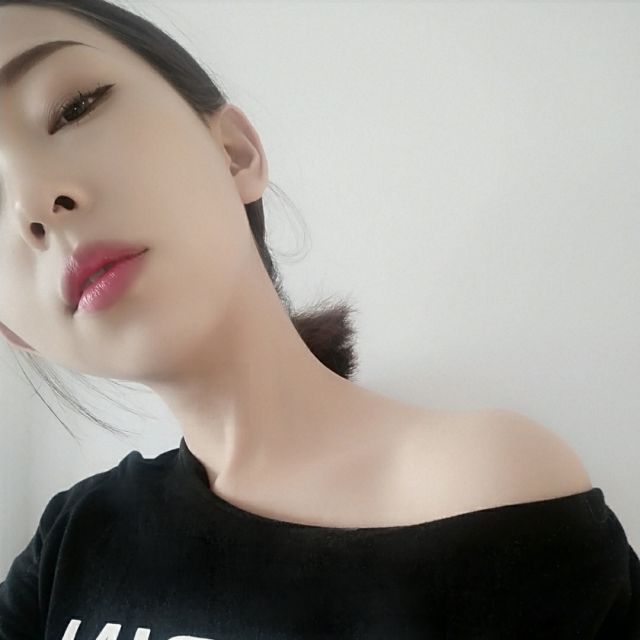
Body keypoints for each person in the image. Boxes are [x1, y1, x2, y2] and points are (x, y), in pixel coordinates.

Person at [0, 1, 638, 638]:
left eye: (74, 107)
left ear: (234, 153)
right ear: (12, 332)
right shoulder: (69, 540)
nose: (33, 204)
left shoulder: (491, 493)